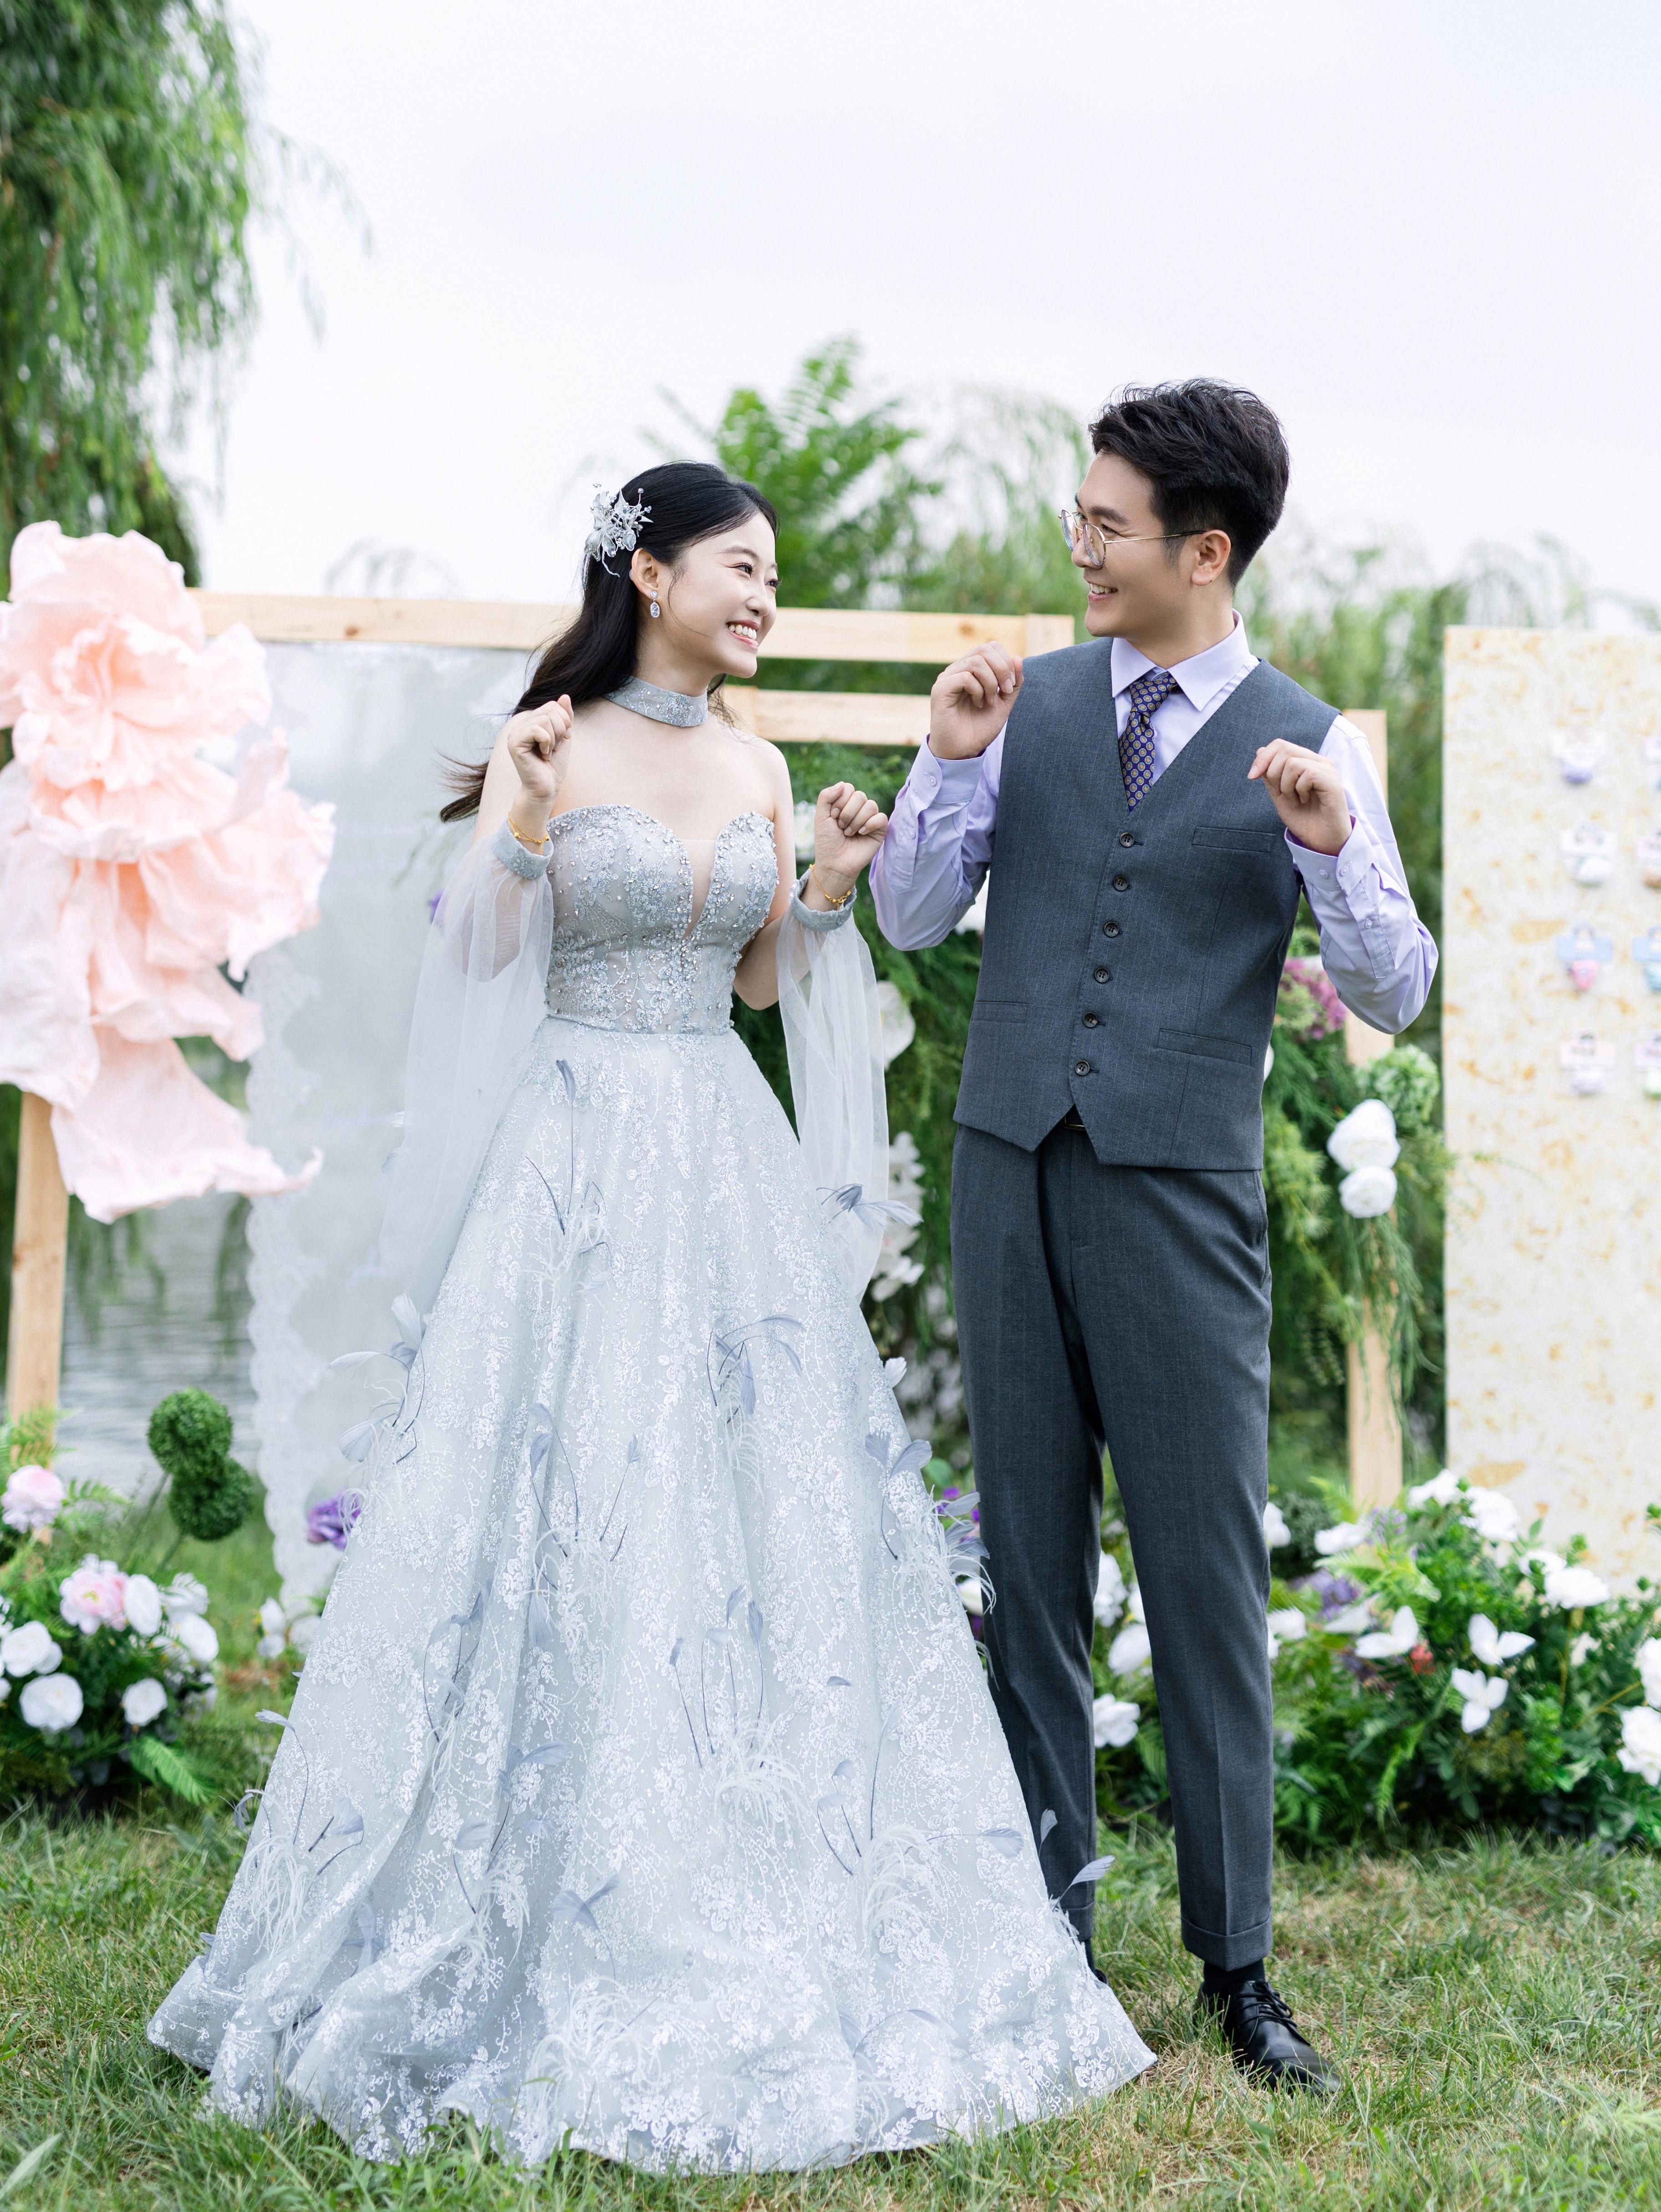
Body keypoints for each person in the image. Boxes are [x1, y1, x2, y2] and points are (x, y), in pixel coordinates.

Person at [149, 462, 1152, 2167]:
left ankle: (750, 1845)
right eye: (739, 568)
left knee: (746, 1503)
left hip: (718, 1145)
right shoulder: (549, 738)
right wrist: (521, 817)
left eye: (773, 577)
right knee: (564, 1484)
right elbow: (478, 956)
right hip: (574, 1153)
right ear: (648, 571)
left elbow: (759, 978)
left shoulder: (755, 763)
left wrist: (825, 879)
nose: (762, 599)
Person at [870, 382, 1437, 2094]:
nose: (1080, 544)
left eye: (1108, 523)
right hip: (1007, 1169)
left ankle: (1237, 1966)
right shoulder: (1018, 703)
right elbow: (911, 912)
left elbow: (1400, 991)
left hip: (1182, 1196)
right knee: (1030, 1564)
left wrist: (1335, 856)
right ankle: (1046, 1932)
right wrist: (944, 763)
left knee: (1200, 1574)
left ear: (1207, 549)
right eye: (1082, 512)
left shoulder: (1311, 742)